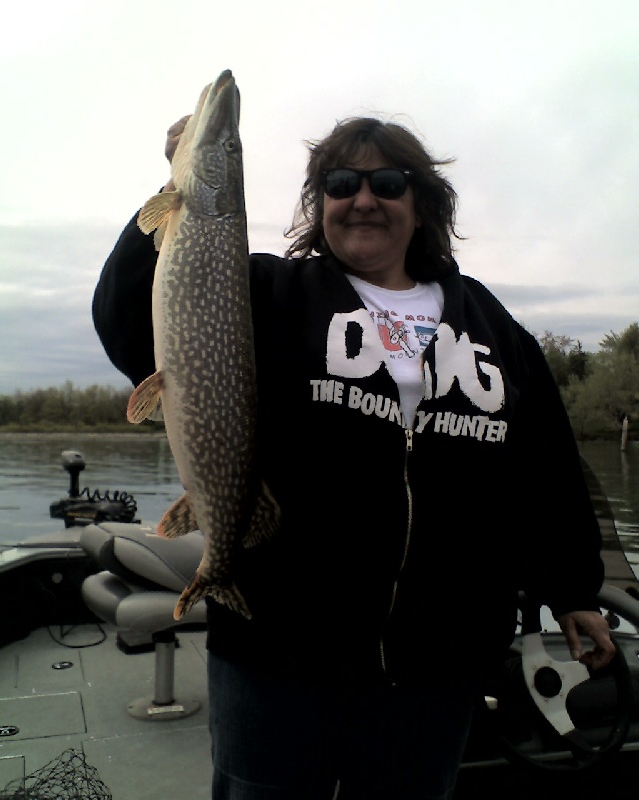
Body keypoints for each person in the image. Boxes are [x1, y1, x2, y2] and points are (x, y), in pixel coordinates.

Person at [92, 111, 615, 799]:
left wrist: (574, 588)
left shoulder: (488, 322)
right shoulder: (267, 293)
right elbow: (133, 322)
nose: (363, 198)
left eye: (387, 182)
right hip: (277, 653)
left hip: (440, 663)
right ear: (320, 202)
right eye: (341, 183)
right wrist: (175, 190)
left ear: (422, 202)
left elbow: (544, 463)